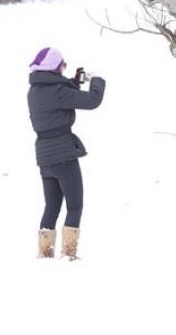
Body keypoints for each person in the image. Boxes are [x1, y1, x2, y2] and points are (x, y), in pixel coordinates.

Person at [27, 47, 106, 260]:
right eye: (62, 64)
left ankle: (44, 253)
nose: (64, 68)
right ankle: (69, 255)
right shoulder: (58, 92)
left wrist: (73, 82)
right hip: (63, 154)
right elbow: (92, 101)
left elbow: (59, 95)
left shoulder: (34, 91)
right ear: (54, 67)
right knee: (75, 204)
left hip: (44, 156)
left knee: (52, 205)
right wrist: (97, 80)